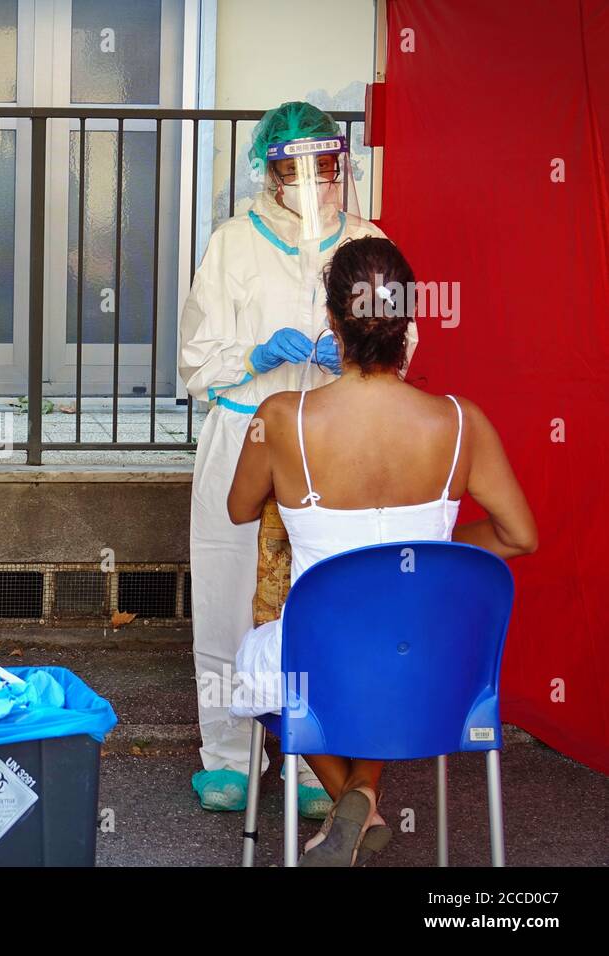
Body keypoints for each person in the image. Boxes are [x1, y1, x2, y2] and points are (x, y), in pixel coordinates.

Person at [226, 237, 537, 865]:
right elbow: (518, 536)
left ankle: (354, 798)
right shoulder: (460, 422)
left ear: (332, 322)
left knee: (264, 658)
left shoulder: (283, 418)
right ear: (409, 327)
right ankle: (361, 792)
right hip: (437, 672)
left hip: (323, 673)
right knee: (395, 625)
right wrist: (433, 548)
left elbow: (238, 508)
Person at [178, 101, 413, 818]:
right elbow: (195, 359)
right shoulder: (231, 244)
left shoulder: (371, 241)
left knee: (323, 599)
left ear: (342, 165)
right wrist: (255, 354)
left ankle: (317, 758)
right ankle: (227, 755)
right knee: (227, 592)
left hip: (335, 436)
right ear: (268, 170)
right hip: (248, 433)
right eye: (294, 167)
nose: (312, 180)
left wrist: (352, 357)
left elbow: (401, 344)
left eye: (325, 165)